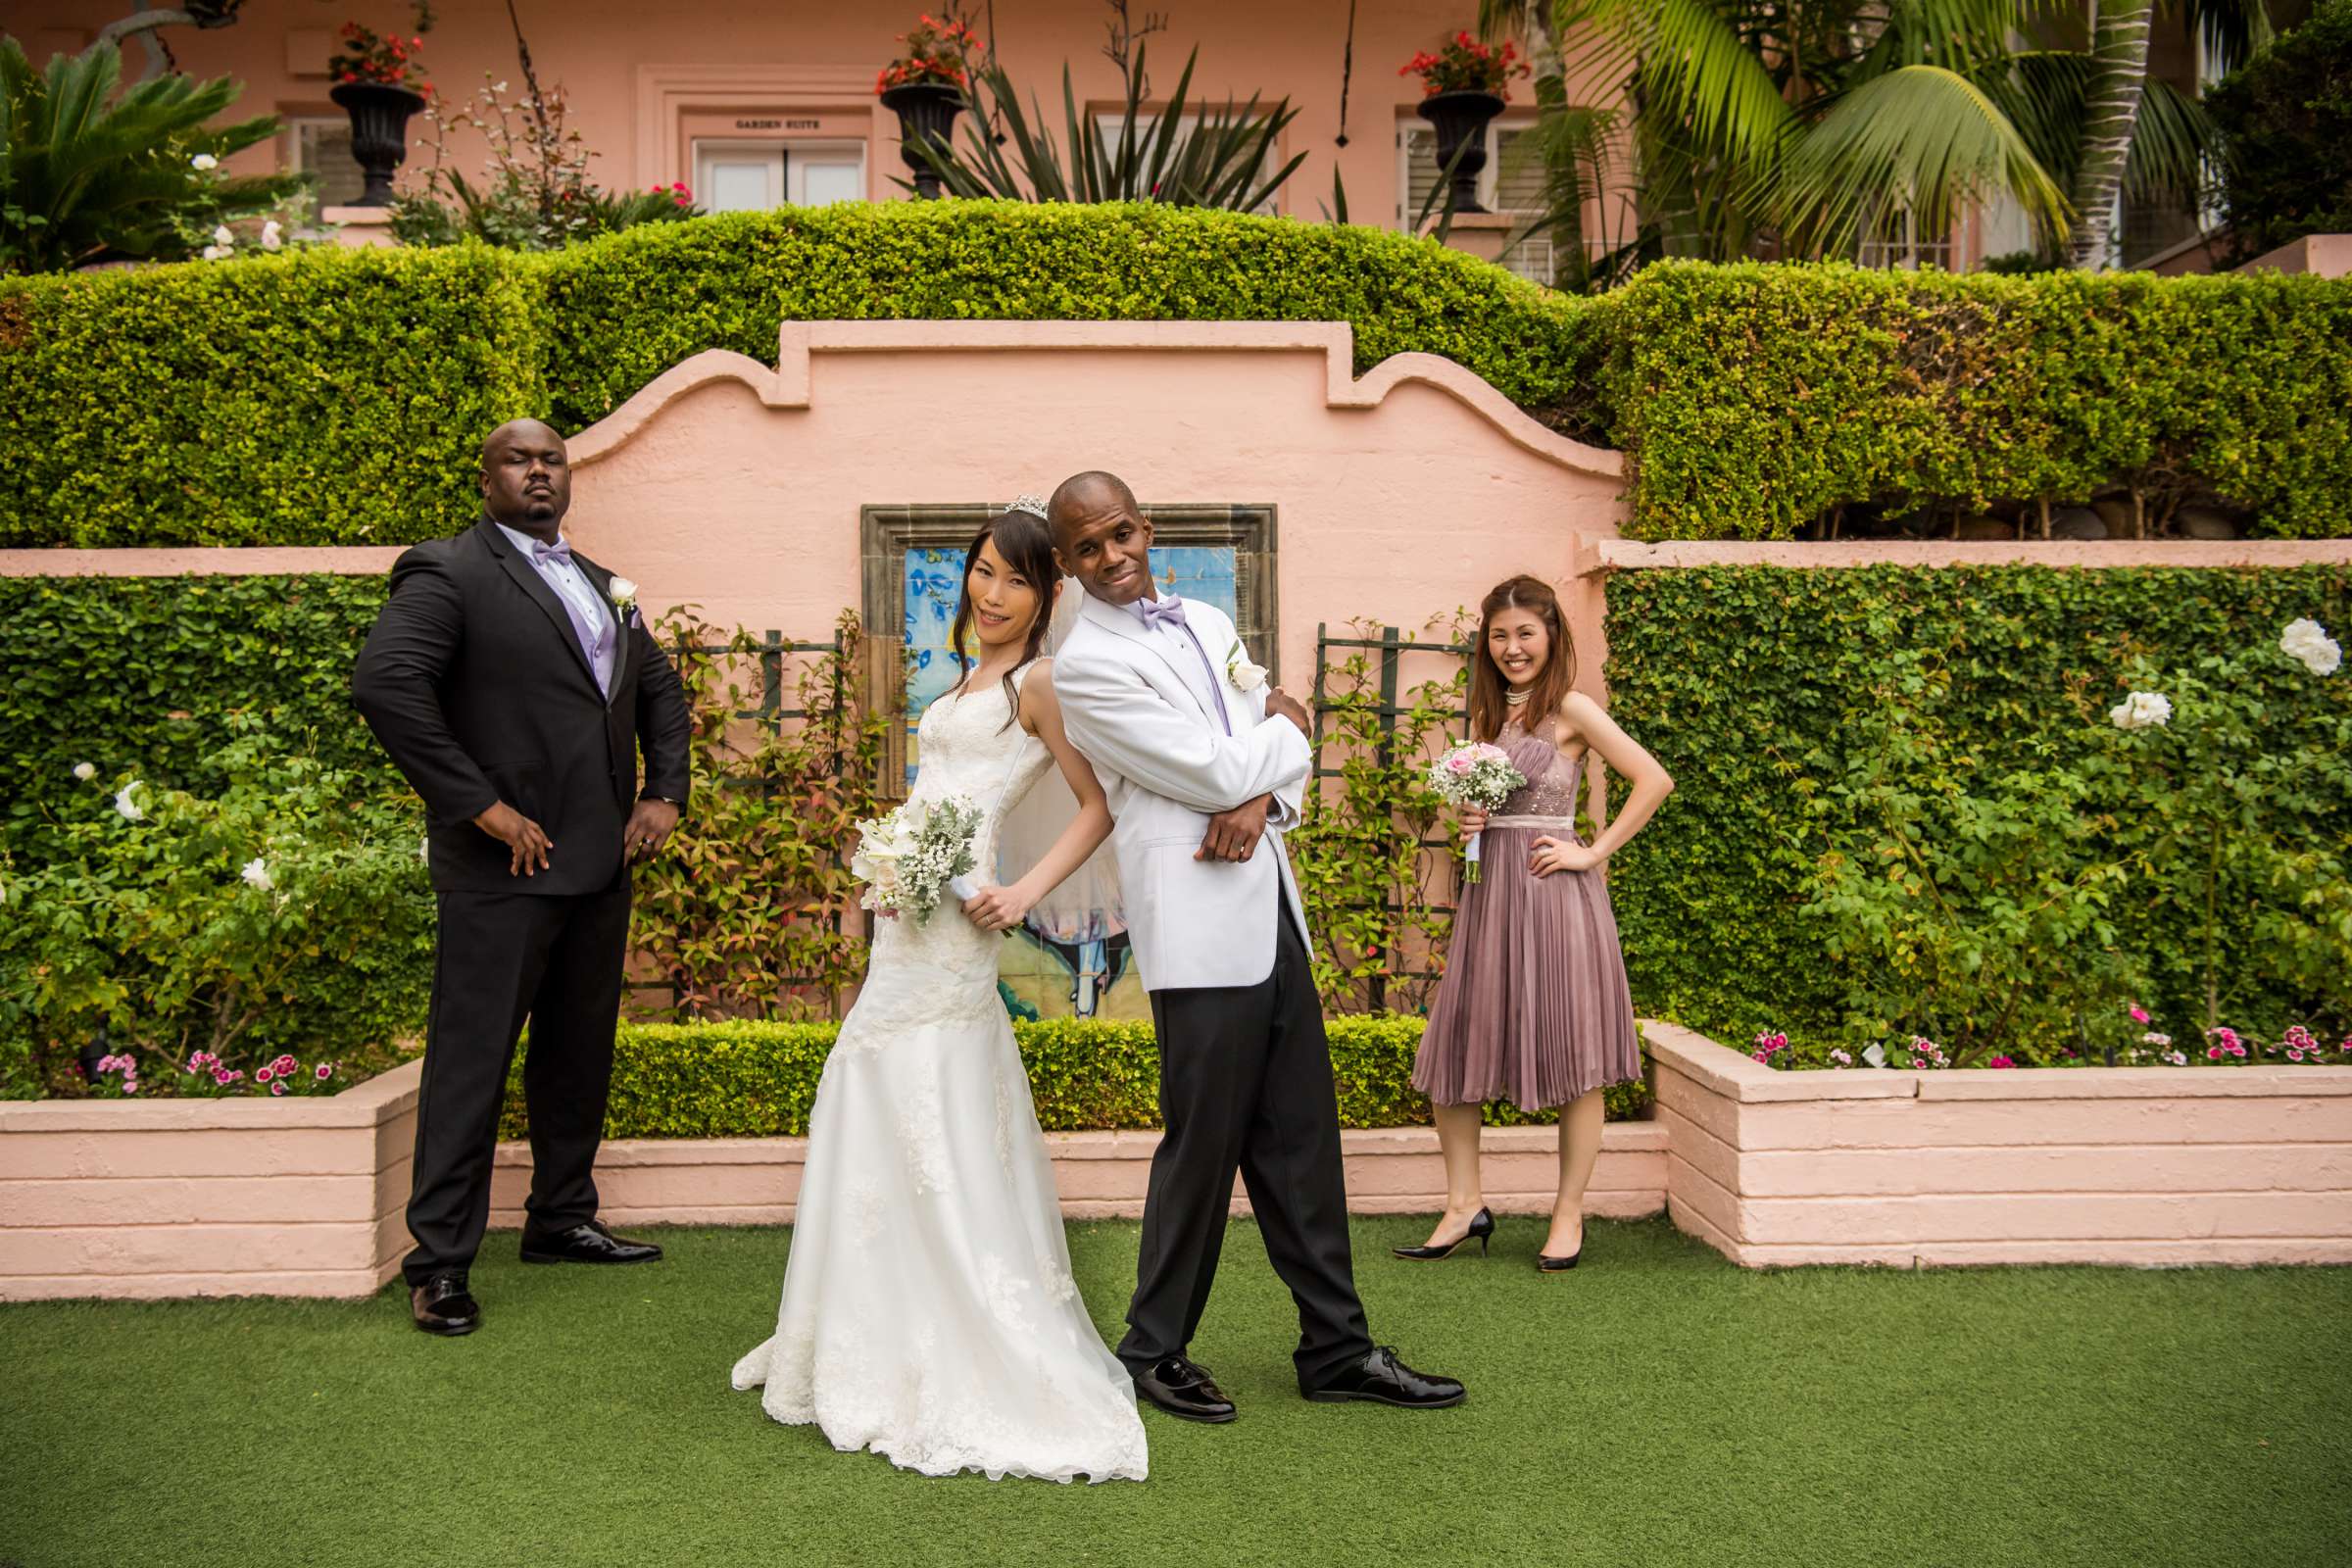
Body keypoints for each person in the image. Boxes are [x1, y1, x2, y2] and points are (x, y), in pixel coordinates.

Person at [731, 501, 1149, 1485]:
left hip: (961, 931)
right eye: (982, 571)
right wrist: (891, 862)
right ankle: (866, 1321)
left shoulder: (1039, 685)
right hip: (906, 917)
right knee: (872, 1084)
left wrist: (1022, 890)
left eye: (1014, 578)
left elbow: (1099, 806)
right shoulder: (964, 678)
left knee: (929, 1092)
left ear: (1049, 594)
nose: (991, 592)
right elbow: (934, 803)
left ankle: (961, 1323)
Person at [1047, 469, 1464, 1423]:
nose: (1111, 557)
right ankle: (1152, 1350)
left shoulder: (1206, 620)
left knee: (1304, 1140)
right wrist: (1269, 747)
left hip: (1271, 899)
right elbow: (1225, 756)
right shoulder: (1085, 669)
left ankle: (1337, 1347)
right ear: (1066, 564)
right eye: (1087, 548)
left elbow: (1274, 758)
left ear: (1144, 528)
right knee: (1205, 1145)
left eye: (1120, 534)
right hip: (1195, 924)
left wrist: (1264, 795)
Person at [352, 417, 692, 1337]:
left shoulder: (598, 583)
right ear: (487, 475)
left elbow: (659, 689)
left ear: (567, 475)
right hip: (505, 865)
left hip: (599, 865)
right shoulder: (447, 570)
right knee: (472, 1066)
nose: (537, 471)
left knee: (576, 1057)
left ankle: (561, 1217)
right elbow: (386, 685)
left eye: (551, 459)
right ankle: (441, 1263)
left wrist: (665, 792)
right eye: (518, 459)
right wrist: (479, 806)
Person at [1397, 574, 1673, 1272]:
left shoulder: (1572, 709)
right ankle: (1464, 1204)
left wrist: (1593, 852)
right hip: (1490, 899)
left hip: (1554, 898)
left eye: (1525, 633)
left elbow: (1654, 779)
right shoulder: (1489, 722)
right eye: (1499, 635)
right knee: (1456, 1044)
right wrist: (1471, 822)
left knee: (1577, 1055)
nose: (1512, 648)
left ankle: (1569, 1212)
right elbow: (1488, 812)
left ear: (1552, 636)